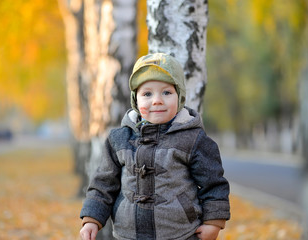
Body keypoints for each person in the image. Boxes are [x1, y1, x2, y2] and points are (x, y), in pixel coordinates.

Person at [79, 53, 230, 240]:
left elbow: (213, 183)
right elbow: (103, 184)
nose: (157, 100)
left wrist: (213, 222)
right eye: (147, 94)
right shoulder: (119, 139)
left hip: (180, 233)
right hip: (128, 234)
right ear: (136, 100)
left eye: (166, 92)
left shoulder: (193, 139)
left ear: (180, 96)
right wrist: (91, 219)